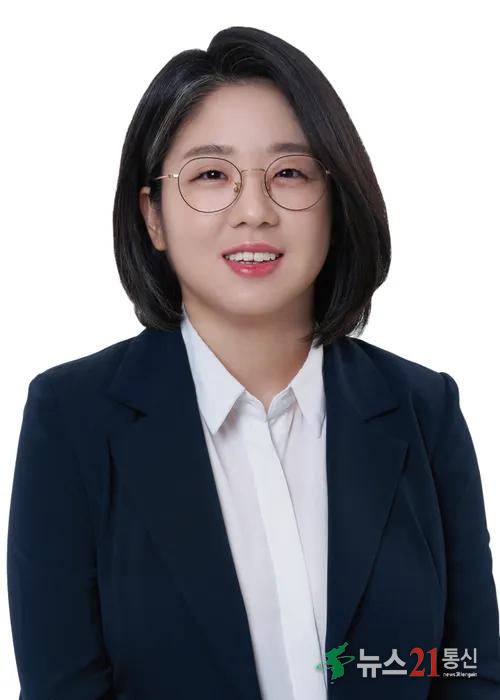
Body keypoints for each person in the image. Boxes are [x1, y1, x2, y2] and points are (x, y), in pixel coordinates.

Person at [7, 25, 500, 700]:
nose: (254, 211)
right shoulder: (73, 418)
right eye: (211, 175)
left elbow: (469, 670)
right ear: (153, 216)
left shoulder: (424, 409)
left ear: (336, 201)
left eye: (289, 173)